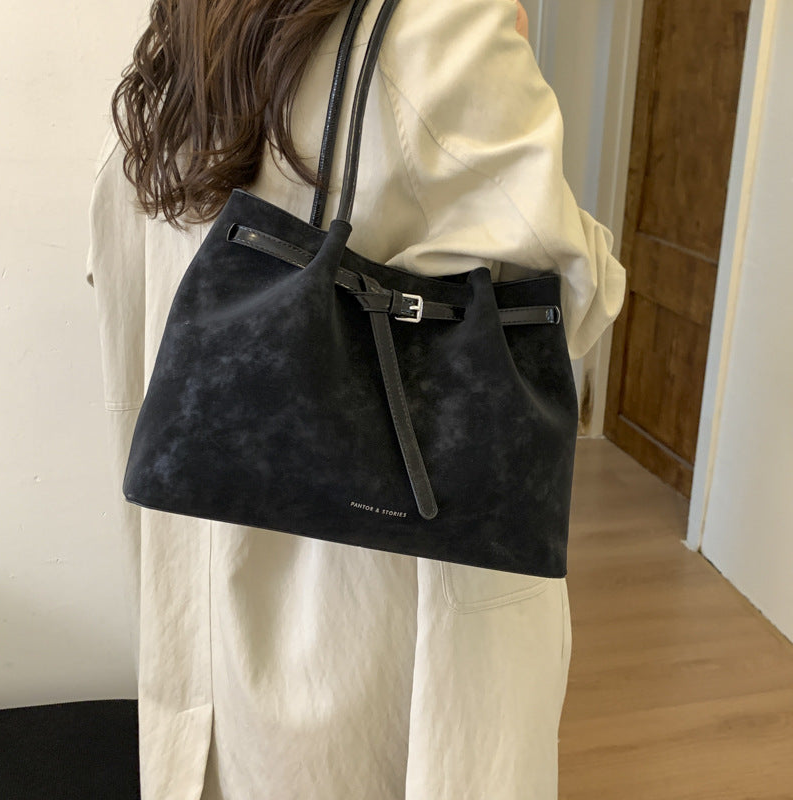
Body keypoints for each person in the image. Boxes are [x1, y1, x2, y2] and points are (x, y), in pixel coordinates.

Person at [85, 0, 626, 797]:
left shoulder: (183, 41)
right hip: (376, 624)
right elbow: (571, 304)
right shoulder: (443, 29)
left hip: (207, 594)